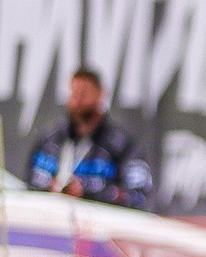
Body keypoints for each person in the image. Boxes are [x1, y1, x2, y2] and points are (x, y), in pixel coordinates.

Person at [28, 67, 152, 207]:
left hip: (102, 224)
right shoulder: (50, 140)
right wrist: (50, 188)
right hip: (52, 221)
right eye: (74, 94)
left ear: (100, 94)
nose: (78, 101)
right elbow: (30, 185)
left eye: (84, 94)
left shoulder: (122, 145)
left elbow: (137, 196)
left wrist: (87, 192)